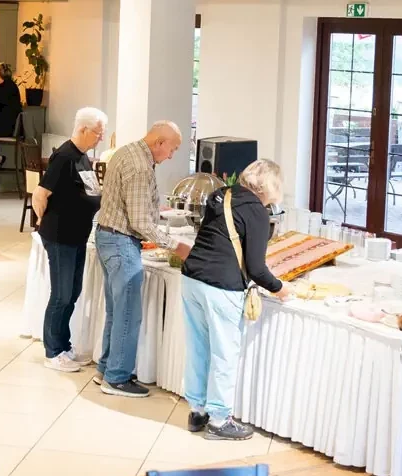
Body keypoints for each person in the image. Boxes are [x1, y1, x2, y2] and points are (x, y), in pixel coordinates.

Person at [180, 160, 291, 440]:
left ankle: (197, 410)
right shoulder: (257, 212)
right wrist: (280, 288)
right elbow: (256, 268)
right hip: (221, 285)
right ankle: (219, 420)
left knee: (198, 347)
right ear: (269, 186)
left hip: (192, 278)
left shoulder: (221, 194)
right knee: (224, 353)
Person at [94, 122, 191, 398]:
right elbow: (139, 222)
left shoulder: (127, 152)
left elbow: (132, 205)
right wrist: (176, 247)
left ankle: (106, 368)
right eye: (172, 149)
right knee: (128, 313)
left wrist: (155, 209)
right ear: (159, 142)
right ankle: (117, 378)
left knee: (116, 311)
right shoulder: (139, 166)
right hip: (121, 242)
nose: (171, 156)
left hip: (107, 236)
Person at [32, 107, 108, 372]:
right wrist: (43, 220)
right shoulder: (64, 156)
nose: (101, 137)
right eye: (98, 132)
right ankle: (53, 351)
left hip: (77, 235)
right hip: (60, 236)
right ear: (83, 129)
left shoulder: (83, 157)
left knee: (72, 293)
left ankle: (64, 346)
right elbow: (40, 194)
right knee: (61, 294)